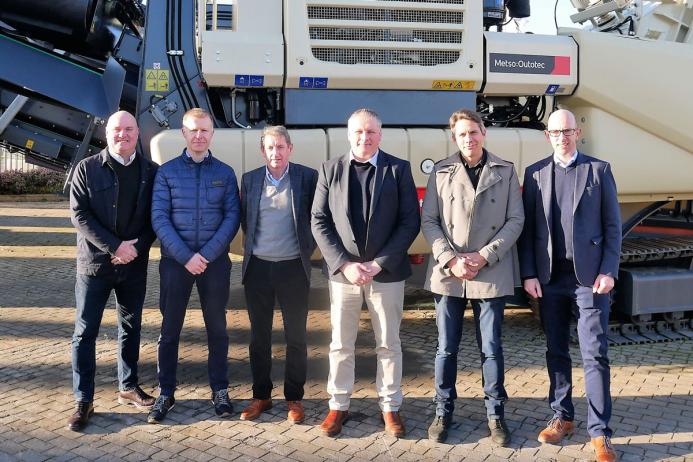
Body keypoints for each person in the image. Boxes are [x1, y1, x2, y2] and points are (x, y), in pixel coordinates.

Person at [519, 109, 621, 462]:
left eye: (567, 130)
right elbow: (529, 231)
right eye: (555, 131)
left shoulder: (598, 170)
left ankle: (600, 433)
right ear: (547, 136)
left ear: (578, 132)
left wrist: (609, 270)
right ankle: (562, 416)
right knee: (556, 350)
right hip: (549, 279)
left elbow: (612, 227)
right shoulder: (535, 174)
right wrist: (529, 274)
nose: (562, 136)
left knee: (595, 354)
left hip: (589, 280)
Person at [311, 108, 420, 438]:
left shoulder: (398, 169)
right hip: (344, 274)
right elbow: (319, 220)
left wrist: (379, 262)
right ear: (349, 134)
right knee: (341, 344)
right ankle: (338, 405)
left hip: (385, 274)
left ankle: (390, 406)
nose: (364, 137)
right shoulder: (330, 170)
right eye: (359, 131)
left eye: (371, 131)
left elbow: (409, 222)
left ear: (380, 134)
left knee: (388, 344)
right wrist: (345, 263)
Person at [421, 109, 524, 445]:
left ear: (484, 133)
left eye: (474, 132)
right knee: (446, 348)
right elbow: (430, 221)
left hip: (490, 268)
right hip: (450, 272)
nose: (469, 138)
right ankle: (442, 412)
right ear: (455, 137)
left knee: (491, 348)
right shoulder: (441, 171)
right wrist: (451, 259)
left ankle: (496, 416)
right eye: (462, 134)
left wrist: (483, 255)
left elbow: (515, 220)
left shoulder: (505, 171)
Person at [148, 108, 241, 423]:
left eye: (204, 130)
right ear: (183, 133)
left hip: (214, 264)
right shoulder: (167, 172)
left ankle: (220, 390)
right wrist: (186, 256)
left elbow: (232, 218)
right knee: (169, 329)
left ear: (211, 133)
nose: (199, 135)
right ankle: (165, 392)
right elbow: (159, 218)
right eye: (193, 130)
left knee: (217, 329)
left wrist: (208, 254)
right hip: (176, 263)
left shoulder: (226, 173)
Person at [68, 110, 158, 431]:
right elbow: (80, 215)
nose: (123, 135)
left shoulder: (151, 171)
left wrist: (134, 248)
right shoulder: (87, 169)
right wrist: (115, 247)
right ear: (107, 133)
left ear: (137, 133)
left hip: (133, 266)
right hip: (94, 266)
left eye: (129, 129)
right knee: (85, 333)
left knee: (131, 327)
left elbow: (155, 217)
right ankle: (84, 399)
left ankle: (128, 386)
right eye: (117, 130)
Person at [239, 126, 318, 423]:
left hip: (293, 269)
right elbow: (246, 220)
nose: (276, 153)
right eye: (270, 148)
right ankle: (261, 396)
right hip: (258, 268)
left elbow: (316, 217)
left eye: (281, 147)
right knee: (259, 337)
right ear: (263, 151)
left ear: (290, 148)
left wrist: (305, 250)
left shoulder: (307, 178)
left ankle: (294, 398)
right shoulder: (250, 180)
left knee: (295, 336)